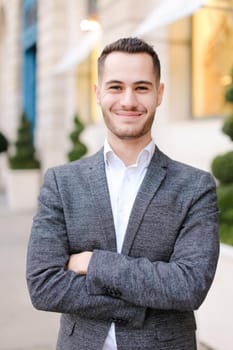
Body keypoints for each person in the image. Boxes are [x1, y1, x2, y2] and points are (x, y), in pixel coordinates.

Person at [26, 37, 219, 350]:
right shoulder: (61, 183)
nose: (128, 100)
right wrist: (144, 301)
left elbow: (188, 287)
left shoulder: (195, 187)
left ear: (159, 94)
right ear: (98, 93)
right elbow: (44, 286)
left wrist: (93, 262)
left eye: (141, 87)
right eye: (115, 87)